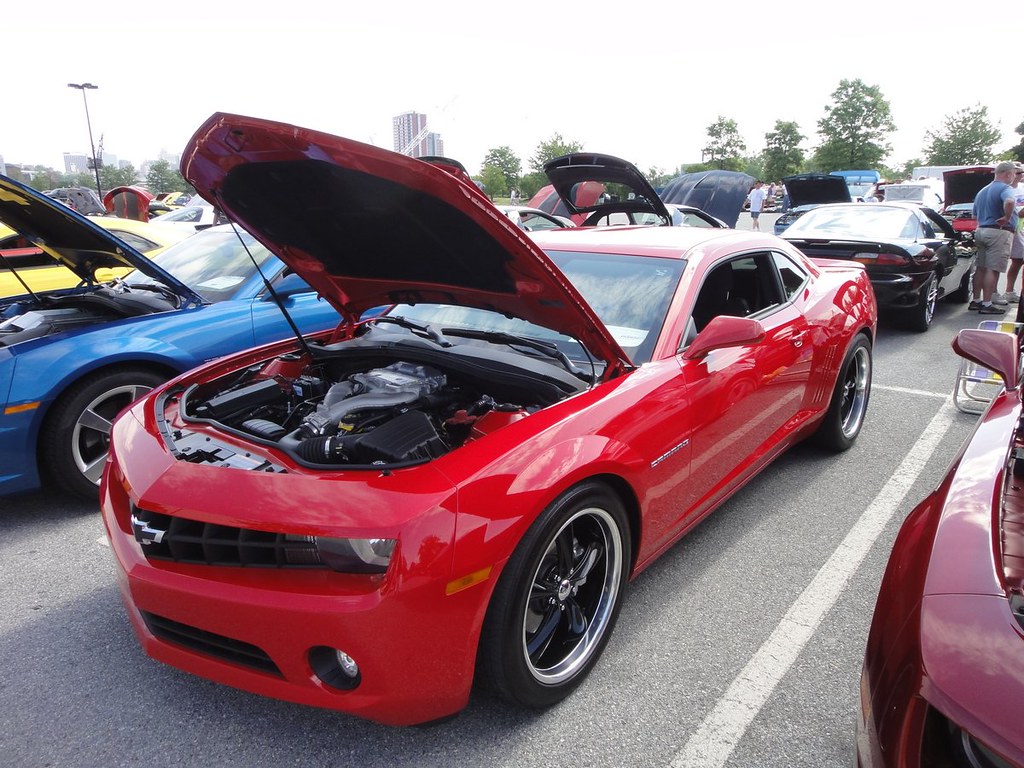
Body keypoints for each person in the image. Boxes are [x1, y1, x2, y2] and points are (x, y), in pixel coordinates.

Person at [970, 161, 1019, 314]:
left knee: (981, 267)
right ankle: (987, 303)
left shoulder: (982, 191)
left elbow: (974, 215)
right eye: (1014, 174)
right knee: (993, 268)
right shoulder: (1005, 188)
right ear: (1009, 174)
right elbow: (1010, 201)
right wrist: (1007, 216)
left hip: (981, 230)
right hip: (998, 231)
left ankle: (976, 300)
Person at [1002, 165, 1024, 302]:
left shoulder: (1022, 187)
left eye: (1022, 172)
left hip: (1022, 227)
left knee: (1019, 260)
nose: (1021, 175)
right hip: (1013, 228)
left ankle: (1013, 292)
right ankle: (1008, 291)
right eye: (1019, 172)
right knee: (1016, 261)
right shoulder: (1006, 189)